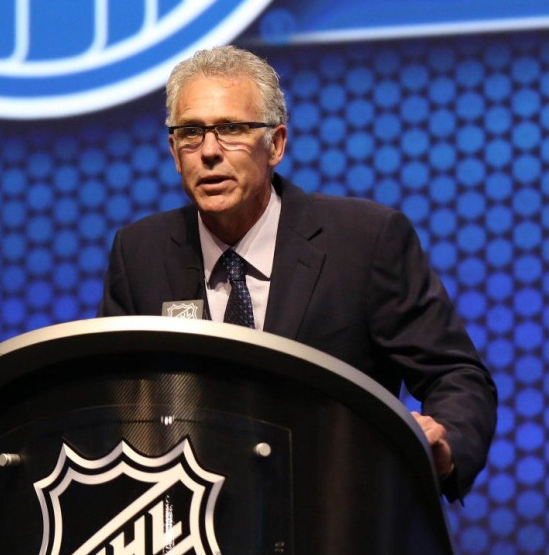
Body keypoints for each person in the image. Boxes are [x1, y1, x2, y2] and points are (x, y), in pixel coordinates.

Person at [98, 44, 497, 501]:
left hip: (336, 520)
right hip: (188, 534)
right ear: (174, 151)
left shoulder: (364, 242)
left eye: (231, 129)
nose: (209, 151)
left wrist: (445, 443)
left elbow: (456, 374)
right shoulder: (140, 253)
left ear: (276, 144)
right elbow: (113, 402)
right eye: (191, 132)